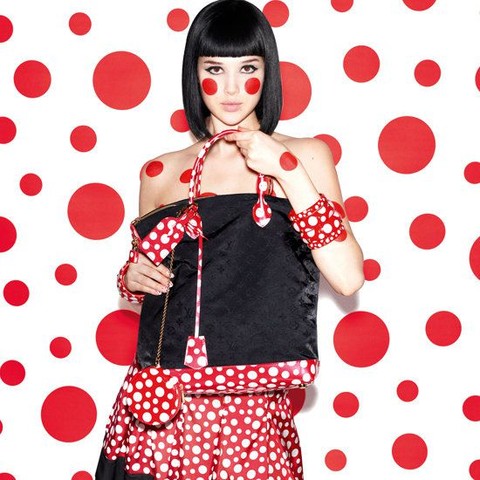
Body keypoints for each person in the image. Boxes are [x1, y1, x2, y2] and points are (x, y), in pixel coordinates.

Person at [95, 1, 364, 478]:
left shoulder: (305, 155)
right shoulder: (160, 172)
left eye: (248, 69)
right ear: (195, 74)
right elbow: (162, 295)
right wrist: (133, 277)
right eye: (215, 69)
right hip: (161, 412)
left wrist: (285, 170)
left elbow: (347, 277)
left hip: (252, 419)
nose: (233, 89)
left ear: (268, 72)